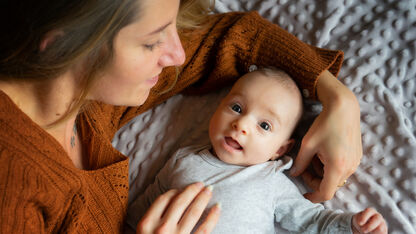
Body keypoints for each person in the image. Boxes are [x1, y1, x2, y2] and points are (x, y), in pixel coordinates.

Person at [0, 0, 362, 232]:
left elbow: (231, 36)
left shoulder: (86, 92)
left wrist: (339, 99)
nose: (176, 54)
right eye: (151, 41)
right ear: (66, 48)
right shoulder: (12, 193)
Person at [126, 68, 387, 234]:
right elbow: (143, 211)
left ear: (280, 149)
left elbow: (313, 221)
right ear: (217, 109)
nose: (241, 125)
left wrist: (353, 226)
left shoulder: (270, 180)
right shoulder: (183, 159)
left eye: (264, 125)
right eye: (237, 108)